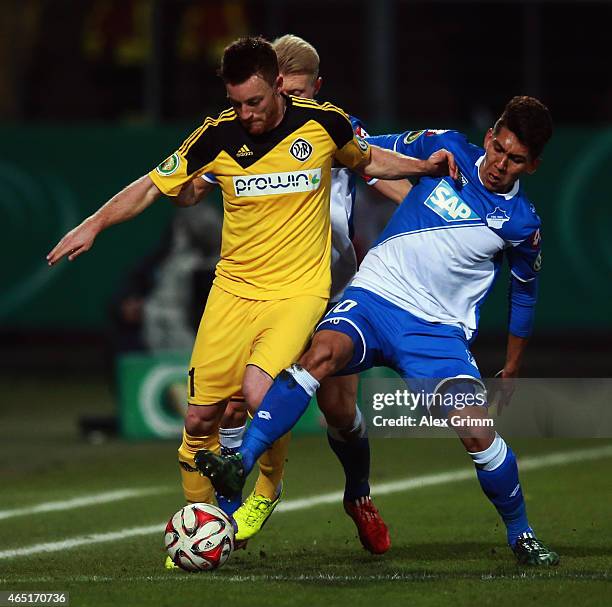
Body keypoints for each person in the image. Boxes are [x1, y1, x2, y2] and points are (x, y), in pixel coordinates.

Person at [46, 36, 456, 556]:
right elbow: (154, 185)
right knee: (201, 419)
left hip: (311, 288)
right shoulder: (217, 136)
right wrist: (94, 225)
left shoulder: (327, 124)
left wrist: (430, 174)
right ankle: (209, 526)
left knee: (279, 397)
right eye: (237, 102)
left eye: (255, 101)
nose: (246, 113)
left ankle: (281, 491)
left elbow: (371, 163)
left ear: (282, 88)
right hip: (234, 291)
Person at [195, 96, 561, 566]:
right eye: (499, 150)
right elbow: (363, 146)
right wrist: (318, 118)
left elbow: (524, 294)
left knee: (476, 433)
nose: (499, 165)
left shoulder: (523, 224)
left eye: (515, 160)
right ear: (490, 136)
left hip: (436, 331)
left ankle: (522, 535)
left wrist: (512, 365)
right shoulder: (445, 149)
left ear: (532, 166)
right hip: (374, 297)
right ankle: (239, 465)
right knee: (319, 356)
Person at [178, 34, 411, 553]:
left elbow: (387, 177)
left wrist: (439, 211)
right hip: (268, 288)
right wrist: (189, 189)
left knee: (338, 412)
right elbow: (202, 181)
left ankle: (358, 496)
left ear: (314, 87)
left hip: (335, 287)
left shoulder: (333, 126)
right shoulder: (248, 131)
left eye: (299, 89)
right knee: (241, 400)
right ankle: (241, 503)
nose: (291, 99)